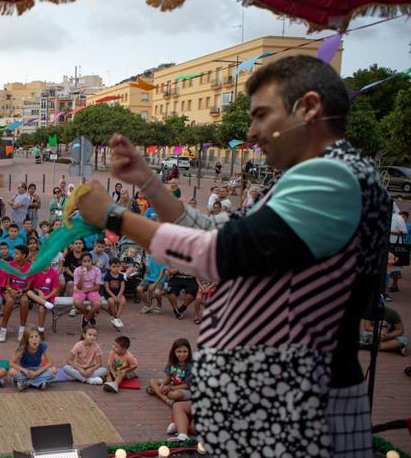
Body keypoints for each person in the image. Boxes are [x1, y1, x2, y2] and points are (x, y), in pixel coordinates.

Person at [74, 55, 392, 457]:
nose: (251, 131)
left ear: (309, 108)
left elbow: (220, 254)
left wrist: (113, 216)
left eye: (261, 114)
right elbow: (210, 231)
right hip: (275, 414)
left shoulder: (332, 177)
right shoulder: (316, 175)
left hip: (294, 420)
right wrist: (150, 183)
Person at [0, 245, 33, 342]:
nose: (14, 255)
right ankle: (3, 329)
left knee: (25, 301)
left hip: (22, 291)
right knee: (9, 301)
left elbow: (28, 286)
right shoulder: (10, 265)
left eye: (16, 253)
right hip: (10, 290)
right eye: (14, 253)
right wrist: (11, 290)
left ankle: (22, 330)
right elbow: (7, 285)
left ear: (24, 255)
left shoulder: (30, 268)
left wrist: (23, 291)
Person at [147, 338, 193, 408]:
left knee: (175, 395)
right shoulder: (171, 363)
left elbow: (187, 385)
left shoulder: (190, 366)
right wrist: (162, 384)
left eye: (185, 351)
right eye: (179, 351)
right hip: (171, 385)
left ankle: (157, 391)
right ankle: (167, 400)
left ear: (189, 352)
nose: (182, 354)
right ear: (174, 352)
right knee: (152, 381)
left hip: (185, 389)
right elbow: (167, 378)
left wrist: (170, 388)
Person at [73, 253, 103, 330]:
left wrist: (86, 290)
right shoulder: (77, 270)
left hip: (91, 290)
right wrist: (81, 277)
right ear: (81, 262)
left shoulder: (97, 270)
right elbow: (78, 286)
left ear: (91, 261)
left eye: (89, 261)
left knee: (98, 304)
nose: (87, 263)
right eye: (84, 261)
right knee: (77, 303)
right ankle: (90, 315)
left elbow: (97, 287)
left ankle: (86, 319)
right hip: (80, 290)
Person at [102, 258, 126, 330]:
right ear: (110, 267)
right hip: (109, 294)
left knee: (123, 302)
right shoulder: (107, 276)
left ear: (120, 267)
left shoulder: (121, 276)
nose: (116, 268)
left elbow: (122, 287)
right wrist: (113, 296)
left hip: (118, 293)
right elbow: (107, 288)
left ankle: (116, 318)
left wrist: (119, 295)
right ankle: (115, 317)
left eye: (118, 266)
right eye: (114, 266)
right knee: (112, 302)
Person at [389, 203, 406, 293]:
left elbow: (404, 232)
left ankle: (394, 285)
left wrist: (390, 231)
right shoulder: (385, 216)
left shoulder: (399, 218)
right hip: (387, 245)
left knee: (395, 267)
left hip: (395, 245)